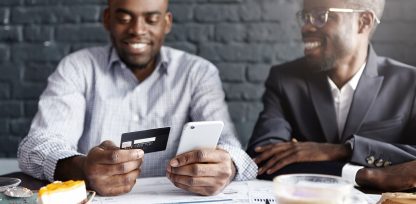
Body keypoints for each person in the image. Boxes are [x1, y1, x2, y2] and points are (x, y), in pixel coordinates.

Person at [18, 0, 257, 196]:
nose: (137, 30)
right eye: (124, 18)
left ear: (167, 23)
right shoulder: (77, 68)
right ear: (107, 19)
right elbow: (35, 146)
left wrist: (227, 164)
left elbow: (232, 147)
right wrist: (81, 169)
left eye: (151, 19)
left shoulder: (198, 73)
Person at [247, 0, 416, 191]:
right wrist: (365, 175)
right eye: (305, 17)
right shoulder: (284, 80)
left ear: (363, 21)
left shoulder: (410, 83)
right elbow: (262, 160)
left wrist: (339, 150)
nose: (306, 27)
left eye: (321, 16)